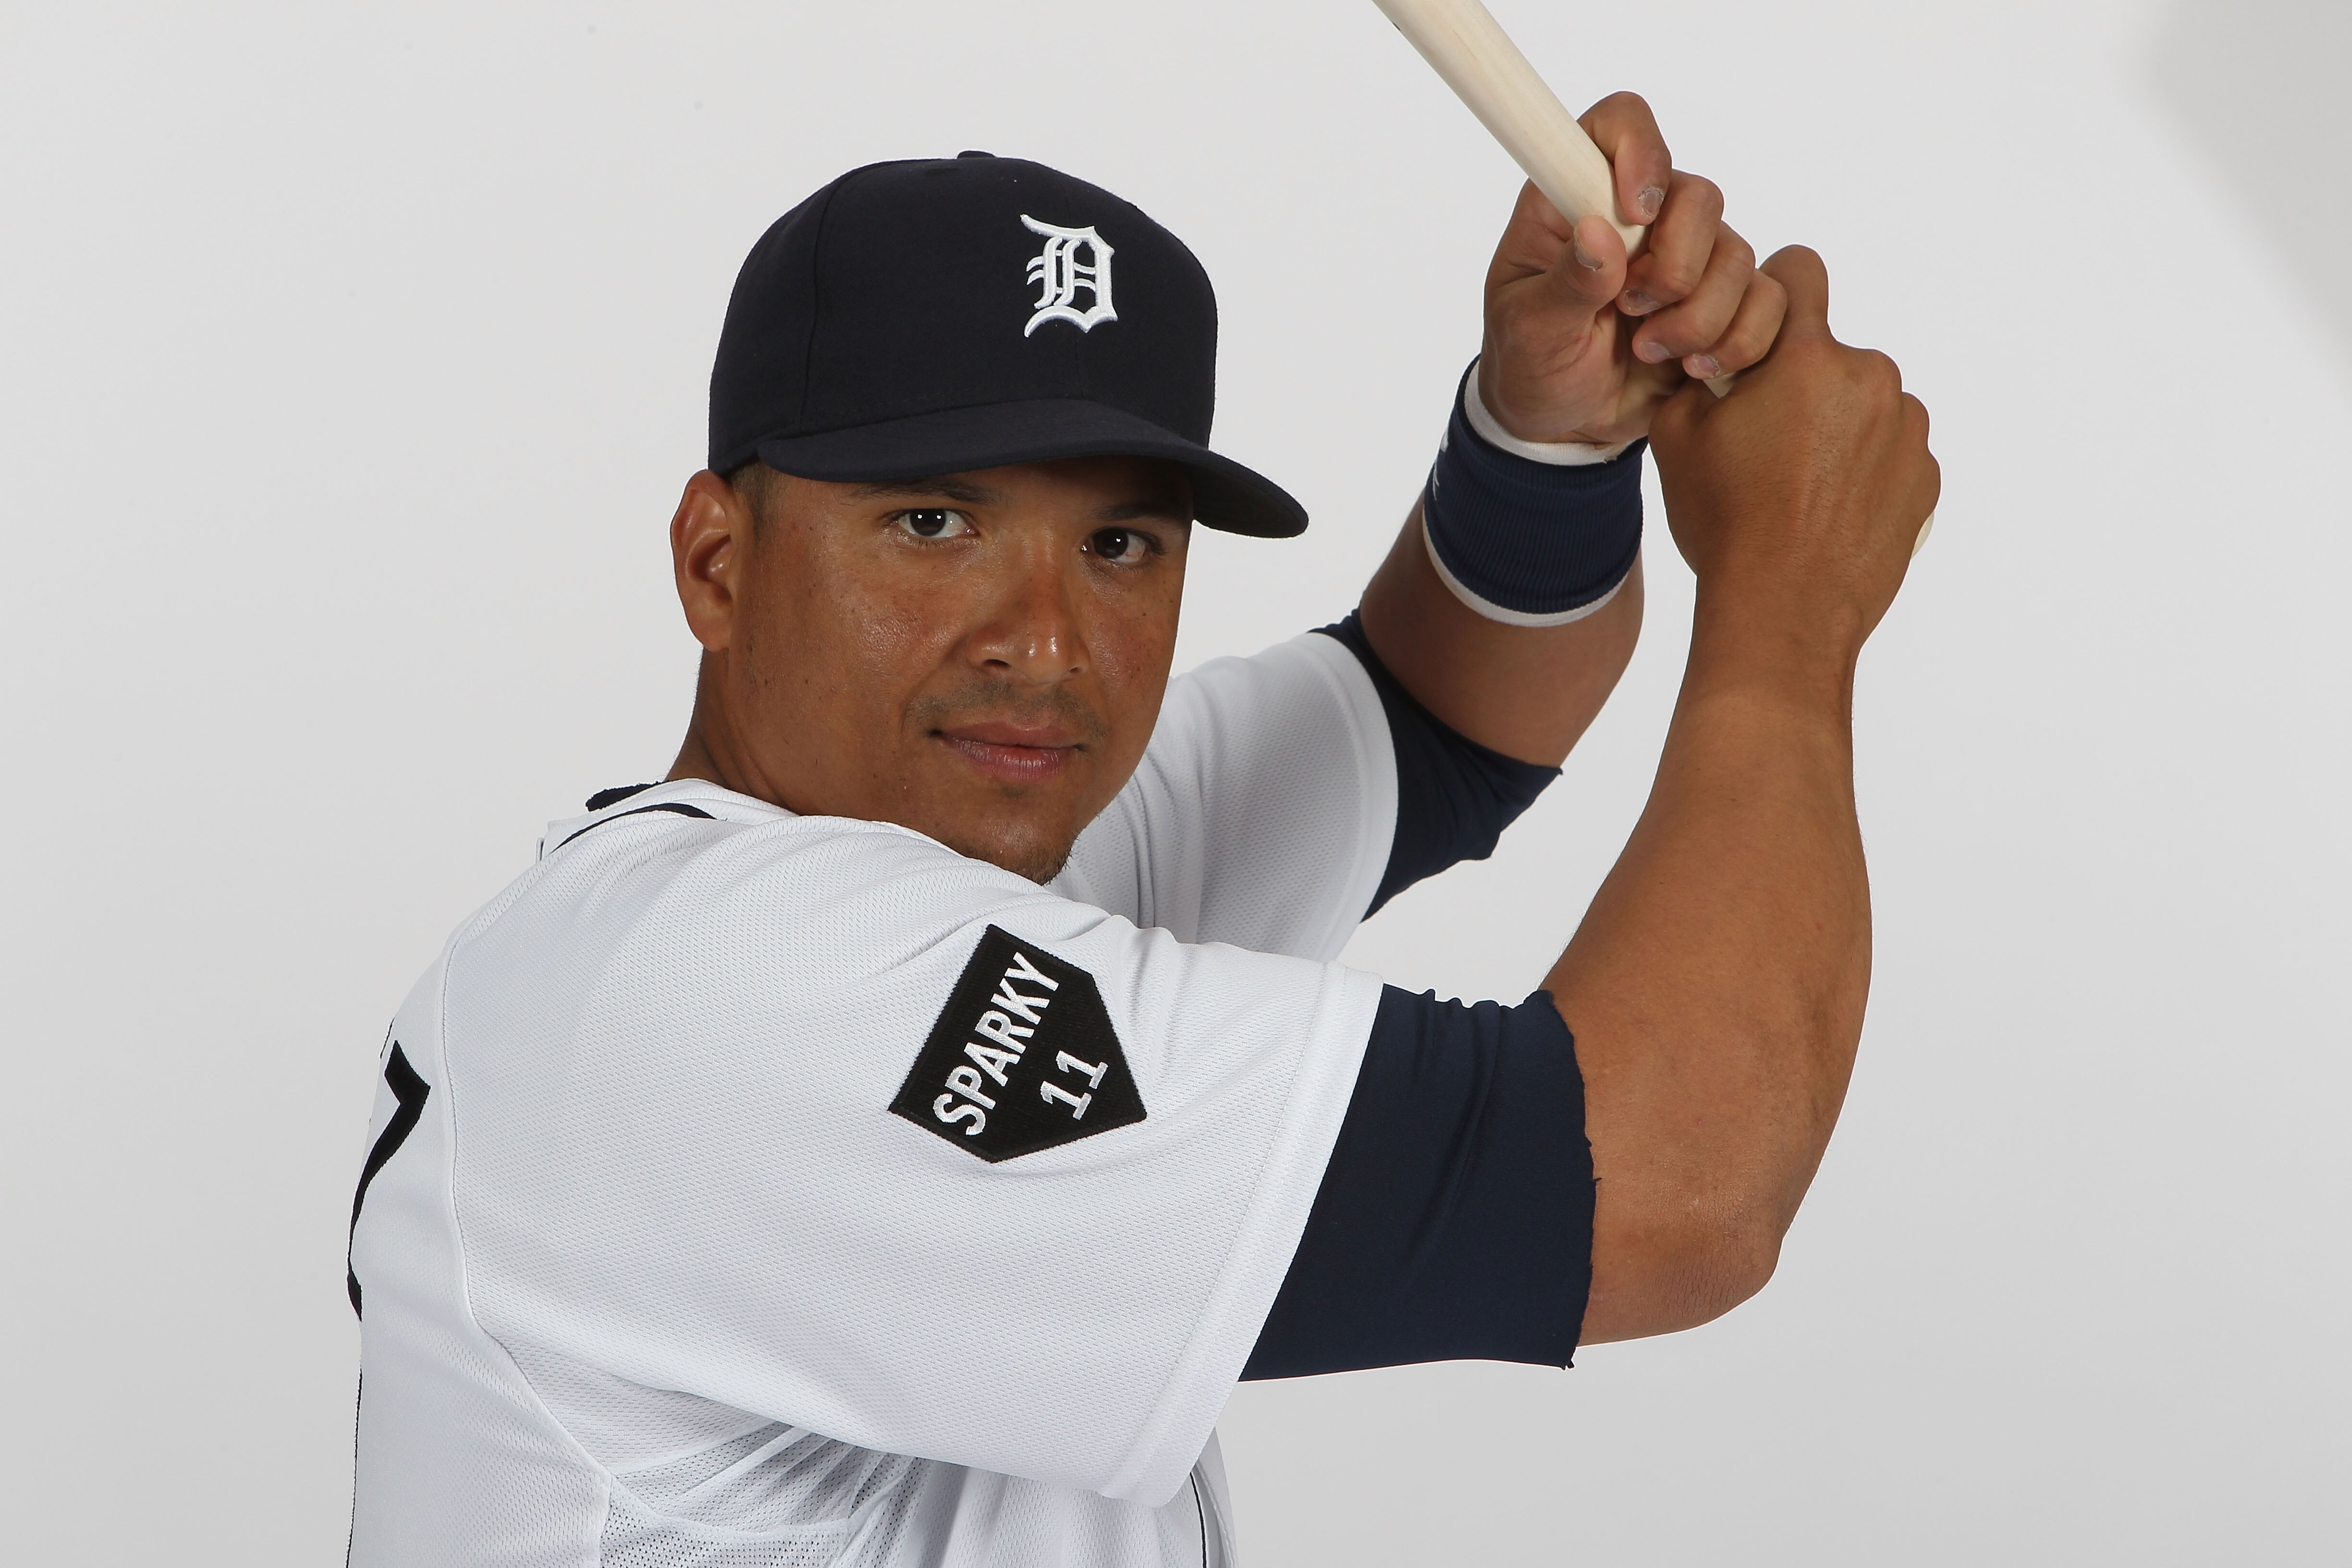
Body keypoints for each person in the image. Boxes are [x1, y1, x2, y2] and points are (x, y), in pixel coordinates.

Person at [345, 96, 1937, 1568]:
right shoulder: (738, 979)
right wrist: (1789, 597)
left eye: (1118, 541)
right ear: (715, 562)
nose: (1043, 641)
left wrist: (1554, 434)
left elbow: (1440, 723)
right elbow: (1671, 1184)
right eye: (933, 523)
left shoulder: (969, 864)